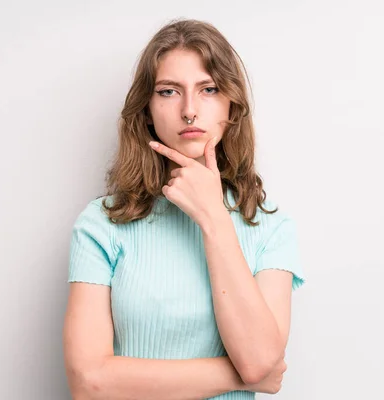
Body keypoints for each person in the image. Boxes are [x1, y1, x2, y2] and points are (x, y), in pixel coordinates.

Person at [62, 18, 305, 399]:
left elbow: (259, 361)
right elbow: (89, 383)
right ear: (146, 110)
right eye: (169, 92)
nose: (189, 111)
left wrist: (213, 218)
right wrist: (241, 375)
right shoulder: (102, 223)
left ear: (232, 105)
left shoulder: (271, 227)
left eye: (208, 89)